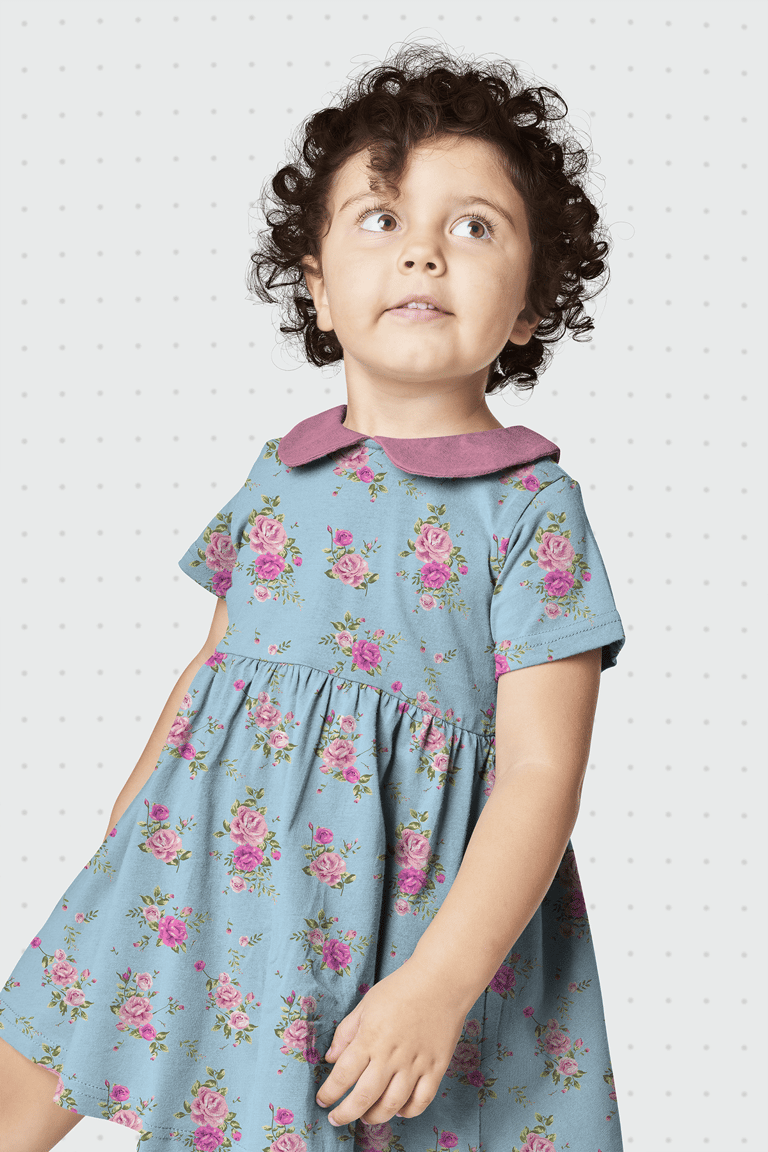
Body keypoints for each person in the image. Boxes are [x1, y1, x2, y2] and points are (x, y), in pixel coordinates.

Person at [0, 42, 627, 1152]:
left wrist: (438, 984)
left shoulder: (530, 509)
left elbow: (542, 773)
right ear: (319, 287)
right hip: (196, 874)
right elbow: (213, 671)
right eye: (382, 219)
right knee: (31, 1066)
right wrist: (121, 849)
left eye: (473, 227)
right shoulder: (280, 473)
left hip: (390, 927)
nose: (423, 251)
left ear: (533, 305)